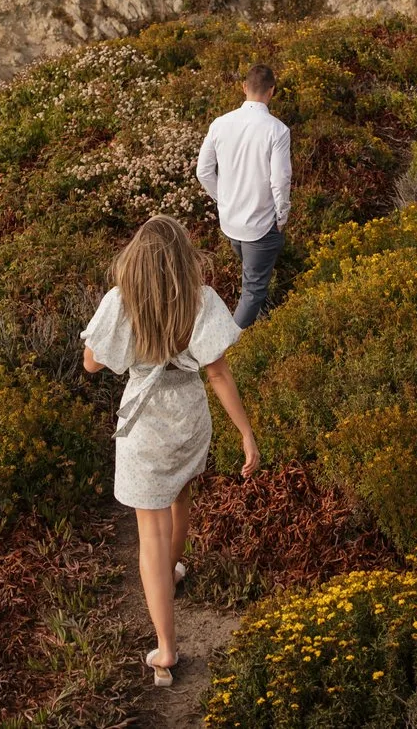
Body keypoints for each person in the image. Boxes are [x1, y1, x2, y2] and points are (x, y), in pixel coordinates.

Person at [81, 215, 261, 688]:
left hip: (147, 428)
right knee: (180, 496)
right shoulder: (200, 300)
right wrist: (246, 433)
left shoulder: (122, 301)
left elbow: (92, 363)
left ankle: (166, 648)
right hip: (189, 418)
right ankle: (174, 572)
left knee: (150, 536)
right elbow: (217, 373)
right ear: (184, 257)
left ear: (134, 260)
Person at [196, 62, 293, 328]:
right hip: (261, 225)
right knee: (252, 292)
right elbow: (280, 179)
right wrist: (282, 216)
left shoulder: (220, 124)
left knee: (252, 280)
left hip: (230, 222)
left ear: (243, 88)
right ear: (272, 91)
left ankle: (261, 324)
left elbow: (203, 171)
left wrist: (223, 199)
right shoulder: (277, 130)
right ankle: (224, 348)